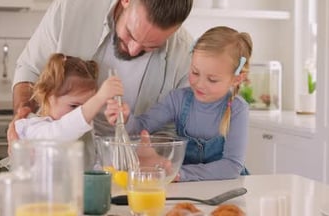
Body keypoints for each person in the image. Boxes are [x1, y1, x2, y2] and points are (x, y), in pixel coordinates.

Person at [8, 0, 194, 150]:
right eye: (130, 33)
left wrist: (157, 155)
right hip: (61, 159)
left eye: (150, 47)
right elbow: (30, 69)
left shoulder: (183, 53)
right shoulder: (73, 5)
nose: (133, 49)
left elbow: (174, 127)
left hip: (130, 167)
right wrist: (23, 114)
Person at [105, 26, 253, 182]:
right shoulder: (178, 99)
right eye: (195, 72)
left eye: (212, 79)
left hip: (226, 188)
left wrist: (180, 173)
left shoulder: (237, 109)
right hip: (186, 187)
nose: (200, 84)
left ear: (237, 79)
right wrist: (126, 118)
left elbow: (231, 166)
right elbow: (141, 126)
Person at [0, 53, 123, 169]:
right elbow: (61, 131)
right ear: (49, 96)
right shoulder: (32, 127)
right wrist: (99, 98)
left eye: (86, 106)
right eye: (74, 106)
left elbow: (91, 164)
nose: (79, 113)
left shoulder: (81, 133)